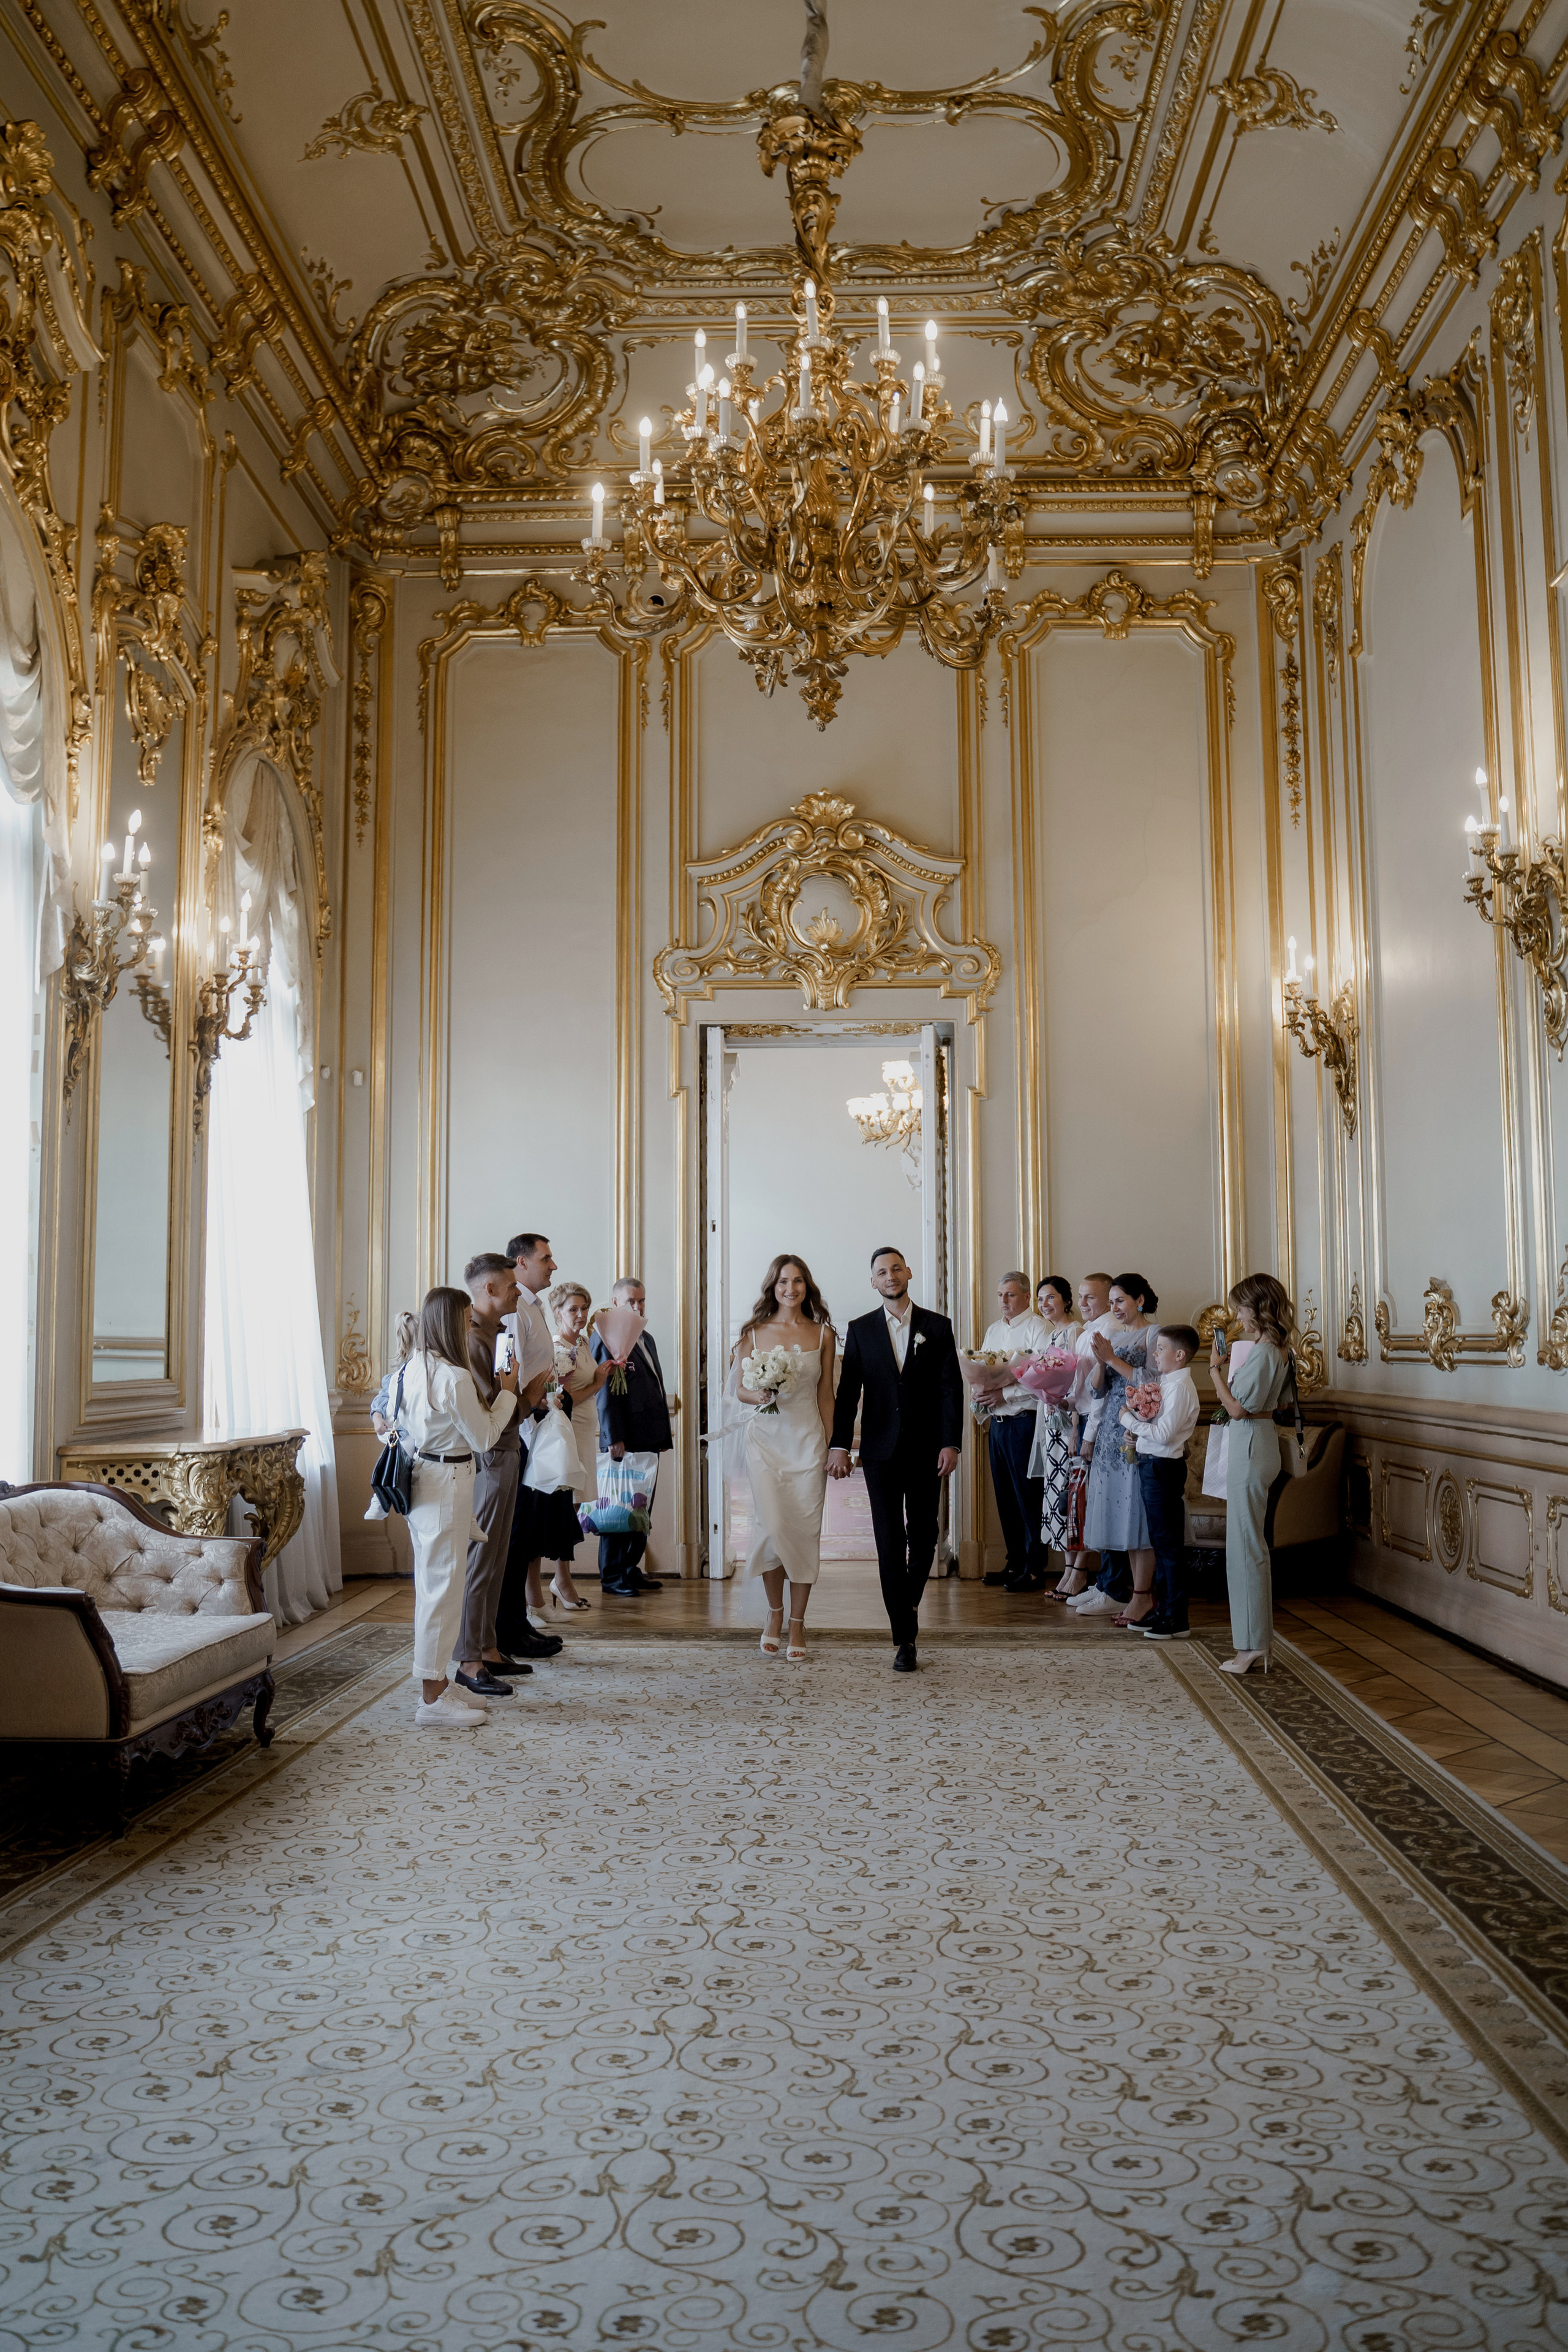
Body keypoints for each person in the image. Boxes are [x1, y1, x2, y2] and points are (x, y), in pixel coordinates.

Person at [827, 1246, 963, 1673]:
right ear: (873, 1281)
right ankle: (904, 1638)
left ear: (907, 1274)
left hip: (927, 1449)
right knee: (889, 1542)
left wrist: (951, 1443)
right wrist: (840, 1445)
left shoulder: (937, 1327)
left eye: (896, 1269)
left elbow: (950, 1389)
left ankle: (906, 1608)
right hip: (880, 1452)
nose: (890, 1276)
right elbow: (848, 1394)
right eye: (882, 1272)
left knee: (924, 1535)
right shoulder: (861, 1330)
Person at [394, 1286, 518, 1728]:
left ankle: (441, 1685)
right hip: (445, 1483)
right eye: (467, 1321)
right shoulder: (453, 1377)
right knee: (442, 1594)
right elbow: (485, 1436)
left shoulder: (413, 1367)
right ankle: (432, 1699)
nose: (471, 1328)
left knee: (437, 1589)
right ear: (452, 1323)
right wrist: (507, 1392)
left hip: (425, 1482)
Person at [731, 1254, 835, 1661]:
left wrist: (832, 1446)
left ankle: (797, 1621)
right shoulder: (754, 1334)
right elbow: (738, 1388)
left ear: (806, 1286)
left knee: (805, 1533)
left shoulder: (824, 1334)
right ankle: (774, 1612)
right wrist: (757, 1393)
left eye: (797, 1281)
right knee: (773, 1527)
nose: (790, 1289)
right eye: (782, 1282)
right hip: (765, 1444)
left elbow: (827, 1394)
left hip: (808, 1443)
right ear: (772, 1287)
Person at [454, 1252, 532, 1697]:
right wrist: (529, 1394)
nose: (518, 1291)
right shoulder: (473, 1339)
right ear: (488, 1290)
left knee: (497, 1557)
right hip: (489, 1457)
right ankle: (468, 1659)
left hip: (506, 1451)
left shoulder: (497, 1334)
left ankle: (487, 1647)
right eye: (511, 1285)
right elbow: (491, 1410)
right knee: (481, 1560)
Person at [1209, 1274, 1295, 1674]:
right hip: (1258, 1440)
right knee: (1247, 1546)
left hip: (1249, 1442)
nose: (1238, 1315)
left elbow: (1237, 1409)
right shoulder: (1278, 1350)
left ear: (1259, 1308)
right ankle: (1254, 1643)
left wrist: (1215, 1373)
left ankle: (1251, 1646)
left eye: (1242, 1307)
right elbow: (1278, 1402)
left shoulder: (1263, 1354)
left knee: (1245, 1549)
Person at [1068, 1273, 1158, 1618]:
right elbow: (1097, 1391)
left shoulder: (1155, 1334)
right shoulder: (1114, 1335)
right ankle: (1117, 1590)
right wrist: (1099, 1363)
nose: (1115, 1307)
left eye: (1121, 1300)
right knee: (1114, 1509)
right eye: (1113, 1301)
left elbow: (1152, 1382)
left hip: (1135, 1429)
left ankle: (1139, 1594)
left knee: (1135, 1512)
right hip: (1109, 1427)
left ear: (1140, 1300)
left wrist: (1111, 1358)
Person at [496, 1233, 565, 1659]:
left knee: (525, 1538)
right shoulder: (513, 1310)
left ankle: (518, 1622)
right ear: (521, 1263)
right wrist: (534, 1400)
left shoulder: (533, 1306)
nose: (553, 1266)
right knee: (515, 1537)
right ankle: (508, 1631)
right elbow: (512, 1371)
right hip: (519, 1430)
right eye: (546, 1258)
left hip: (536, 1430)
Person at [592, 1276, 674, 1596]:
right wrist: (614, 1436)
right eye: (631, 1302)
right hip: (624, 1439)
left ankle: (630, 1568)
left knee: (641, 1508)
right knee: (618, 1506)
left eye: (642, 1301)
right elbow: (604, 1394)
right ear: (615, 1303)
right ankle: (612, 1576)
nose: (638, 1307)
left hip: (650, 1435)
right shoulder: (604, 1336)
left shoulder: (646, 1337)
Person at [974, 1271, 1056, 1592]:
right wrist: (980, 1394)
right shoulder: (994, 1330)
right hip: (998, 1423)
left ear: (1025, 1297)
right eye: (999, 1295)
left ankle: (1035, 1567)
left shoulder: (1039, 1328)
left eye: (1010, 1295)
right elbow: (981, 1367)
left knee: (1028, 1497)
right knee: (1005, 1497)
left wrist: (1004, 1394)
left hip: (1025, 1421)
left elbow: (1044, 1377)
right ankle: (1015, 1562)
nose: (1004, 1301)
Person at [1119, 1323, 1201, 1638]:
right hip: (1153, 1465)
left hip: (1163, 1468)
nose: (1155, 1353)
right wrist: (1136, 1430)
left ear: (1179, 1355)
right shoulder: (1168, 1383)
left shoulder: (1179, 1388)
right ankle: (1165, 1609)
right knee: (1161, 1542)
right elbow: (1156, 1429)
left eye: (1161, 1349)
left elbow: (1166, 1436)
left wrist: (1127, 1419)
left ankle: (1175, 1617)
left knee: (1168, 1546)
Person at [540, 1280, 614, 1610]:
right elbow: (562, 1401)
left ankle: (562, 1578)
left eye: (584, 1308)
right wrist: (599, 1383)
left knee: (574, 1506)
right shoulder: (559, 1349)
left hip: (584, 1431)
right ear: (558, 1313)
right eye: (573, 1309)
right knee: (563, 1507)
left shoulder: (582, 1342)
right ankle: (561, 1579)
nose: (581, 1315)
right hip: (567, 1432)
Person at [1050, 1274, 1114, 1600]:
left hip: (1102, 1425)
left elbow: (1105, 1394)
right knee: (1079, 1501)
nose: (1084, 1302)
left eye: (1091, 1297)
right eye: (1082, 1296)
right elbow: (1081, 1392)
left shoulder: (1108, 1331)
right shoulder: (1086, 1334)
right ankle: (1079, 1574)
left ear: (1109, 1298)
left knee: (1094, 1502)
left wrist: (1088, 1434)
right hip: (1084, 1420)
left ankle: (1094, 1578)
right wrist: (1065, 1406)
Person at [1026, 1276, 1082, 1572]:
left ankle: (1076, 1571)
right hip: (1051, 1425)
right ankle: (1066, 1569)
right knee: (1054, 1489)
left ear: (1066, 1300)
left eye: (1050, 1297)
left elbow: (1077, 1385)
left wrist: (1074, 1427)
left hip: (1067, 1425)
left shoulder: (1075, 1332)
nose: (1044, 1304)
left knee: (1068, 1493)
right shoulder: (1051, 1336)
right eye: (1040, 1299)